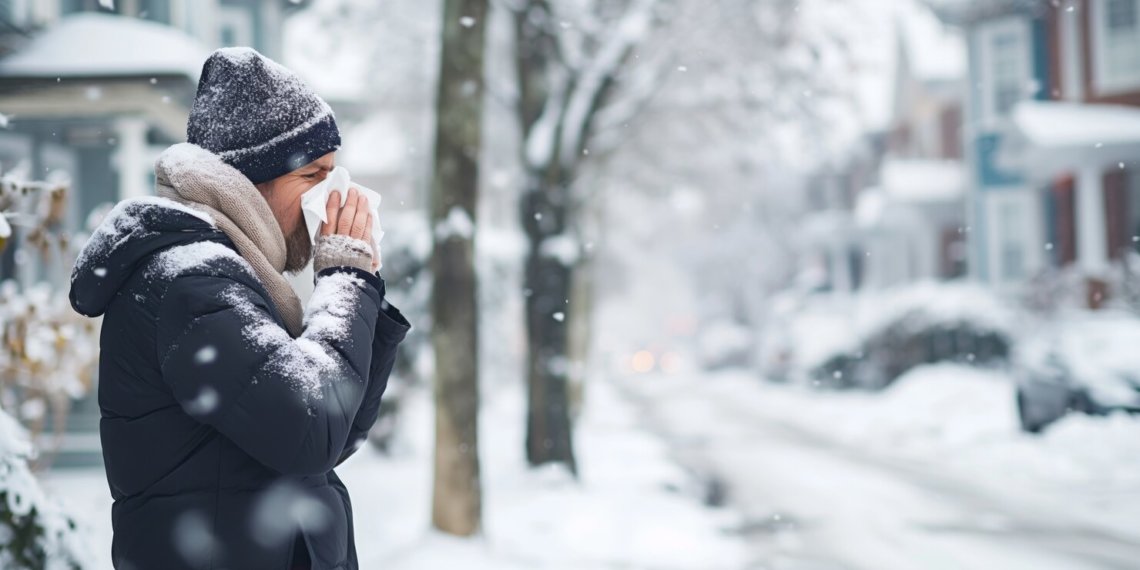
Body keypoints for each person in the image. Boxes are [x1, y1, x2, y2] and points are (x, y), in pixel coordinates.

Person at [69, 47, 409, 570]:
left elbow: (335, 434)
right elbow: (310, 433)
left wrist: (361, 289)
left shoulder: (240, 279)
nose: (332, 196)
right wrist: (346, 277)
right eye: (313, 177)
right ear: (250, 182)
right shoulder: (191, 284)